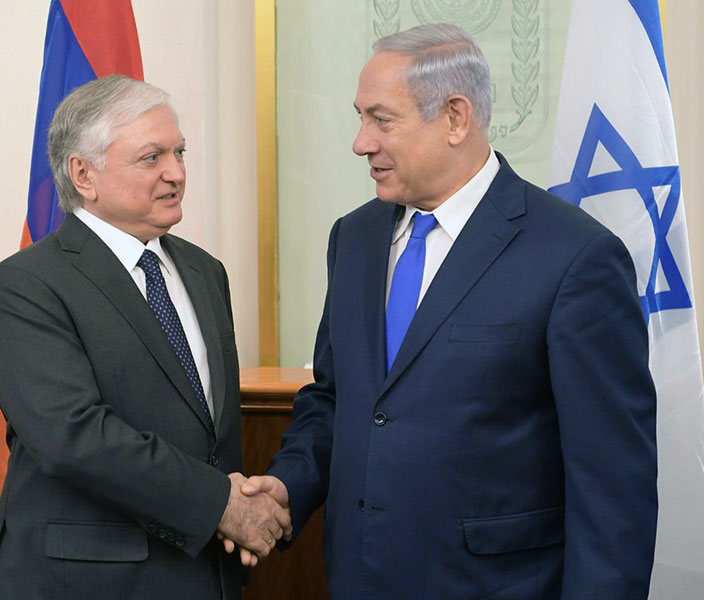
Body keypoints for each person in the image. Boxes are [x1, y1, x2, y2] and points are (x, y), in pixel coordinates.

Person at [239, 23, 658, 599]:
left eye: (381, 120)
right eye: (360, 117)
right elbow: (338, 400)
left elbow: (613, 486)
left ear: (456, 118)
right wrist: (288, 486)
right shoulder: (354, 238)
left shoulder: (575, 257)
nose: (361, 142)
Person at [0, 75, 290, 600]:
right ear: (84, 174)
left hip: (203, 574)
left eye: (180, 152)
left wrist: (237, 507)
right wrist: (222, 506)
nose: (177, 173)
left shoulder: (204, 271)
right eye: (151, 158)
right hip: (86, 581)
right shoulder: (23, 285)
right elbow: (74, 438)